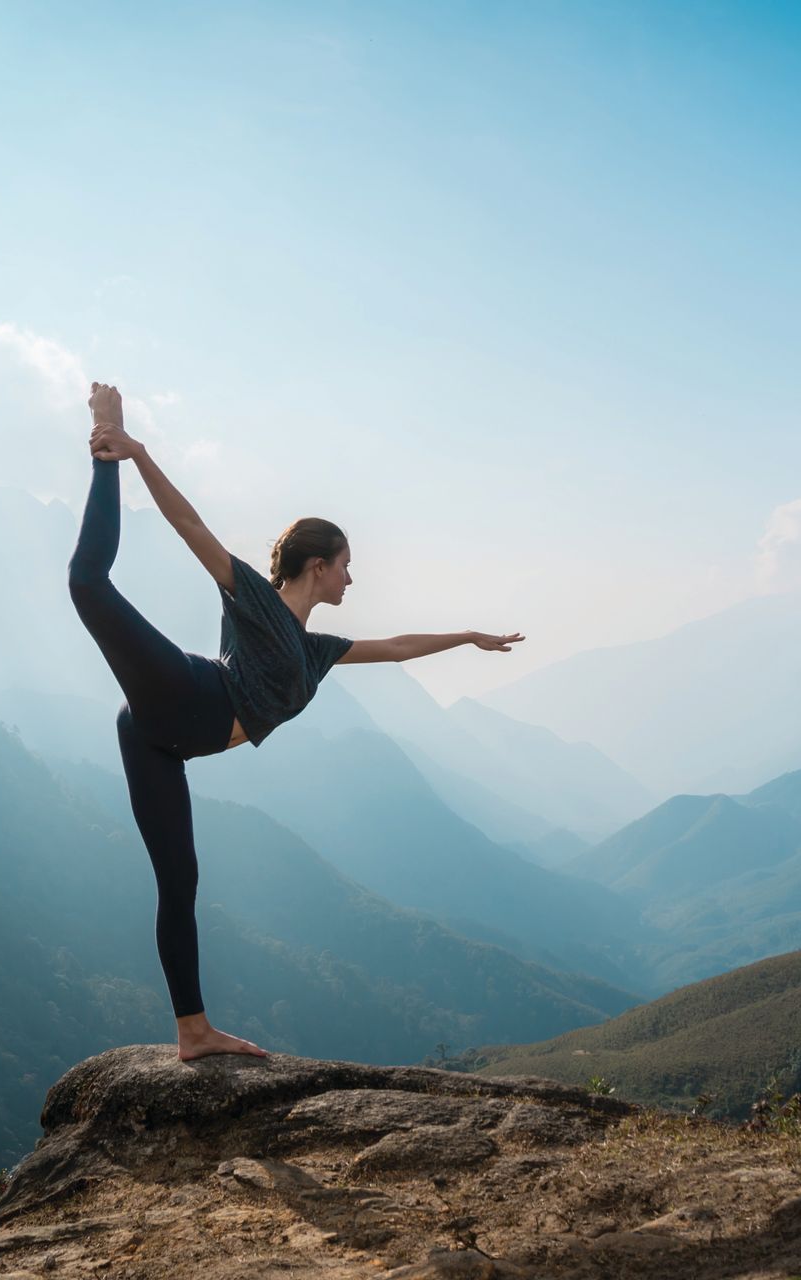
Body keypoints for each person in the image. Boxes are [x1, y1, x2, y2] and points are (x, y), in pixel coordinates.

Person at [67, 382, 524, 1061]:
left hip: (164, 740)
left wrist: (466, 636)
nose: (351, 580)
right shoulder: (255, 600)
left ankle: (192, 1031)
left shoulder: (318, 650)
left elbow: (397, 646)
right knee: (88, 583)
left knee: (180, 882)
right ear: (318, 565)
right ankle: (103, 444)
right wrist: (132, 452)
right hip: (191, 698)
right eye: (347, 567)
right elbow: (191, 526)